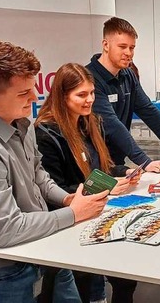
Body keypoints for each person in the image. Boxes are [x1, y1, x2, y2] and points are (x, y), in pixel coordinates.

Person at [0, 40, 108, 302]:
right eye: (23, 93)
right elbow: (6, 231)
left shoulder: (17, 121)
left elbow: (37, 174)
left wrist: (66, 198)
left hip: (39, 249)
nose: (34, 97)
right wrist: (73, 213)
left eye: (33, 88)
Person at [35, 63, 142, 303]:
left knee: (126, 278)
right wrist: (107, 187)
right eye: (81, 95)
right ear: (62, 96)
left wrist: (125, 171)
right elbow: (55, 188)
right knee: (86, 287)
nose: (89, 100)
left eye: (92, 93)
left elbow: (100, 168)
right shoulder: (46, 133)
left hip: (98, 213)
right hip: (69, 223)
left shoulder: (89, 123)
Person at [86, 17, 160, 174]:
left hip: (117, 161)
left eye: (132, 47)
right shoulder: (89, 78)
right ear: (105, 45)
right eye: (122, 46)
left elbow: (148, 111)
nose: (128, 53)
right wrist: (145, 162)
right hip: (93, 163)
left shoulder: (128, 75)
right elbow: (112, 125)